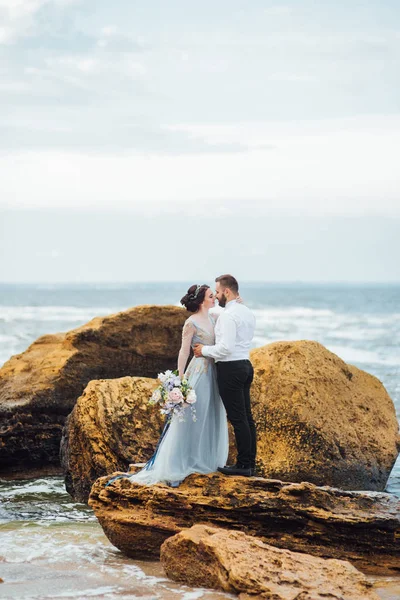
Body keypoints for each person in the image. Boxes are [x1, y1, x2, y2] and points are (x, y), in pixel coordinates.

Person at [124, 284, 229, 487]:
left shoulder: (213, 318)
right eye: (210, 296)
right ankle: (183, 461)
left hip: (214, 370)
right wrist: (181, 380)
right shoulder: (191, 323)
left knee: (212, 414)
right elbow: (183, 352)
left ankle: (206, 460)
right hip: (199, 371)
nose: (214, 297)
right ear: (201, 301)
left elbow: (227, 320)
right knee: (193, 417)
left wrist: (237, 303)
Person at [193, 274, 257, 477]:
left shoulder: (229, 316)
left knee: (238, 419)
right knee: (247, 418)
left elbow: (225, 349)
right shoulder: (245, 311)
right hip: (245, 365)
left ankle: (243, 465)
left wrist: (203, 350)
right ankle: (249, 463)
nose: (217, 296)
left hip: (230, 369)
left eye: (218, 292)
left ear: (227, 292)